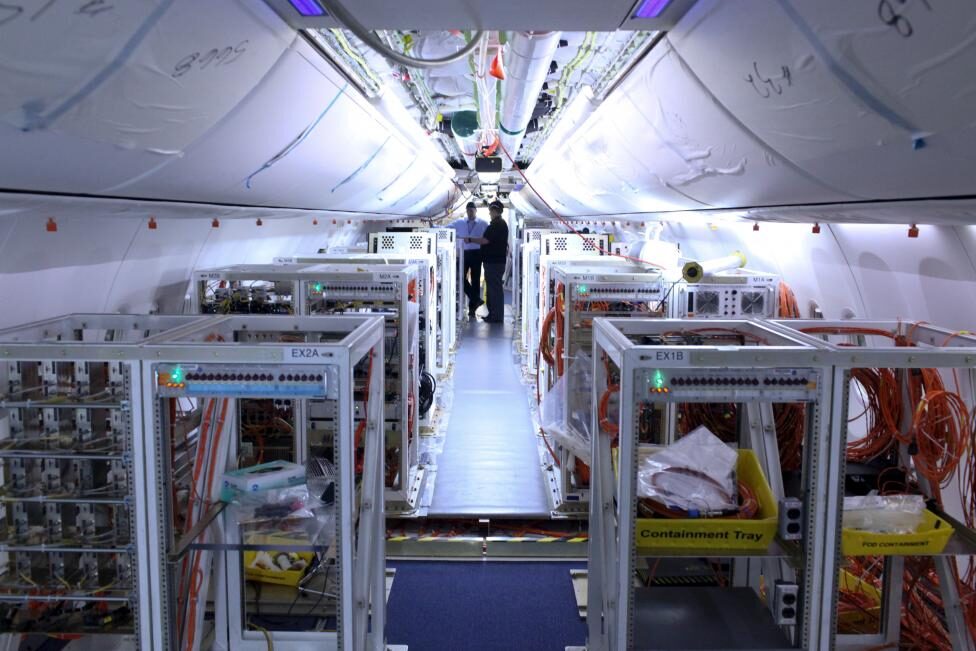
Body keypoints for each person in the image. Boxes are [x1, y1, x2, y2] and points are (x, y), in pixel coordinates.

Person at [469, 200, 509, 323]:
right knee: (494, 289)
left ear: (494, 211)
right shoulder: (501, 224)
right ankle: (494, 315)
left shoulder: (496, 225)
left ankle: (495, 316)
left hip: (493, 263)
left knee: (494, 290)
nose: (489, 213)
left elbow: (485, 240)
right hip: (495, 262)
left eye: (490, 211)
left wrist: (470, 239)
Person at [451, 202, 488, 317]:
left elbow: (488, 238)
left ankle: (472, 309)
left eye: (472, 210)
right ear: (466, 211)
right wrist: (433, 227)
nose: (470, 212)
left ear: (476, 211)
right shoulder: (459, 222)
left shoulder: (483, 223)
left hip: (477, 253)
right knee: (459, 277)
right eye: (468, 210)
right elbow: (446, 229)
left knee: (475, 280)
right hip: (464, 253)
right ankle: (475, 298)